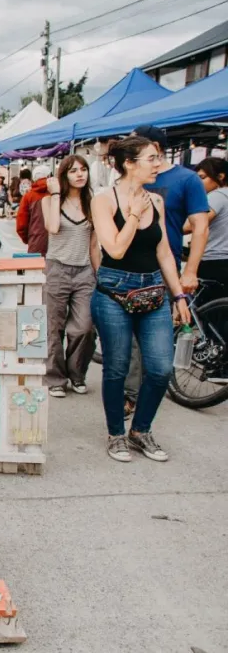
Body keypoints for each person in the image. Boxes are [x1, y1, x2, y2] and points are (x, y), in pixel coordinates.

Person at [90, 136, 190, 463]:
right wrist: (133, 215)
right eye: (151, 158)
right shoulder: (103, 200)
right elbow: (115, 249)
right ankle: (116, 433)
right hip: (113, 291)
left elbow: (164, 252)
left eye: (158, 158)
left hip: (153, 291)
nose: (158, 164)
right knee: (117, 368)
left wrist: (178, 295)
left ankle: (140, 430)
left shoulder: (157, 201)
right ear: (129, 163)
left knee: (160, 369)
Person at [123, 125, 212, 410]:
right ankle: (131, 396)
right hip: (126, 268)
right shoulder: (130, 177)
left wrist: (190, 271)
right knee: (130, 338)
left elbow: (200, 226)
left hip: (165, 267)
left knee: (155, 338)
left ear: (155, 149)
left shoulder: (186, 180)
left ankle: (144, 396)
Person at [43, 156, 99, 397]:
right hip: (57, 268)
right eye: (73, 170)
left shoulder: (93, 203)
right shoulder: (49, 201)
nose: (80, 174)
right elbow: (53, 227)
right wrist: (56, 194)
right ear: (63, 175)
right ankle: (55, 377)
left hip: (85, 270)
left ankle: (77, 373)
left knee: (85, 327)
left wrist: (100, 273)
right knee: (53, 327)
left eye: (83, 169)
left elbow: (94, 243)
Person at [193, 157, 228, 304]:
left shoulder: (217, 195)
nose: (199, 183)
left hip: (214, 261)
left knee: (209, 313)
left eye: (203, 177)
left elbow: (192, 225)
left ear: (220, 176)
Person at [16, 164, 52, 255]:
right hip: (59, 243)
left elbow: (21, 225)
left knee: (36, 268)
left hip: (36, 242)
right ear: (49, 176)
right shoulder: (57, 193)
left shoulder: (28, 196)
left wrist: (29, 239)